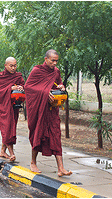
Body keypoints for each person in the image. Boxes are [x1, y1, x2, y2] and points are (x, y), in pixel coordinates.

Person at [25, 49, 72, 177]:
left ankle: (61, 168)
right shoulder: (37, 71)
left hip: (52, 110)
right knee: (38, 133)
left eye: (57, 61)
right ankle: (33, 162)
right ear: (46, 59)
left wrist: (62, 86)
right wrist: (45, 93)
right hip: (39, 110)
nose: (55, 63)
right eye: (53, 61)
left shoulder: (56, 72)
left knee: (56, 135)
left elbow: (58, 83)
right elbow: (28, 87)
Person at [0, 57, 25, 161]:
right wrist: (10, 88)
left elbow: (24, 85)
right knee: (7, 128)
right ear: (5, 65)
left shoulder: (18, 76)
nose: (13, 68)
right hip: (3, 106)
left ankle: (3, 151)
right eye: (11, 66)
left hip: (14, 106)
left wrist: (21, 87)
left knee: (11, 128)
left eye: (15, 65)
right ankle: (11, 153)